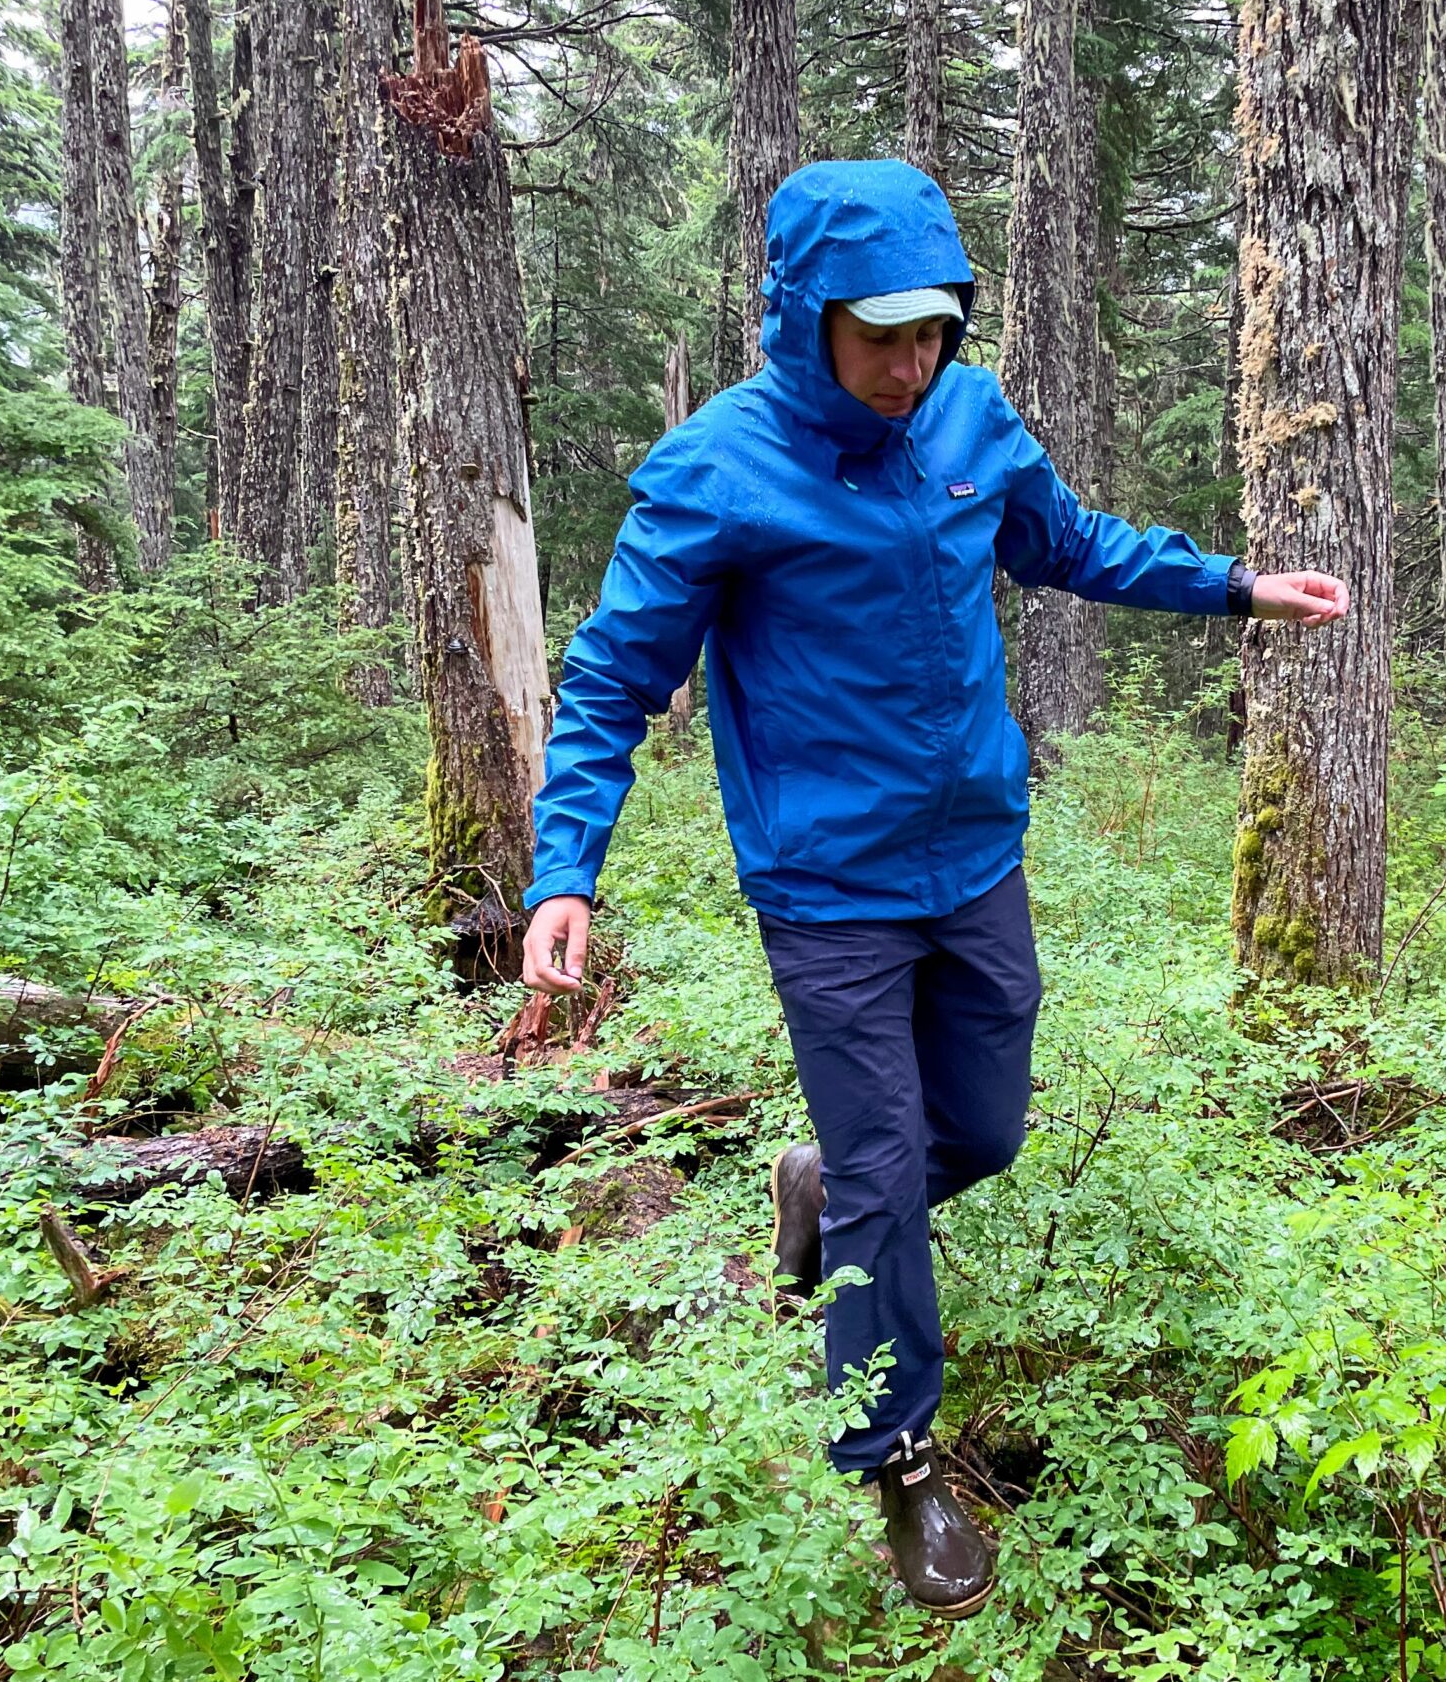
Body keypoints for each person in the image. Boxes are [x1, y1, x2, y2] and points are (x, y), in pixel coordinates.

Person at [519, 158, 1346, 1619]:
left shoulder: (969, 415)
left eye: (934, 329)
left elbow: (1069, 543)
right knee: (895, 1173)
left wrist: (1230, 586)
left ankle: (825, 1194)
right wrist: (566, 869)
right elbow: (608, 681)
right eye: (880, 332)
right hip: (830, 889)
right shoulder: (719, 470)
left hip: (975, 856)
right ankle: (898, 1453)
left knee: (984, 1127)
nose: (911, 363)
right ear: (805, 316)